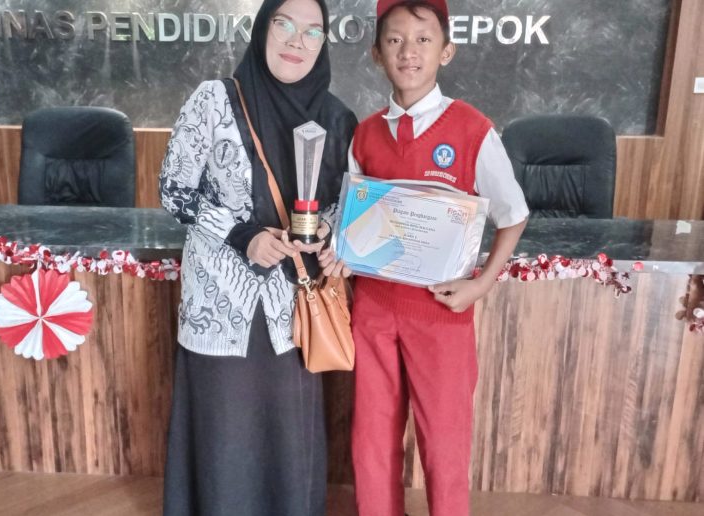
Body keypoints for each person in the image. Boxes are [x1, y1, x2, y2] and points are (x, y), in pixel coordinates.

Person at [319, 1, 529, 514]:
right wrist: (343, 253)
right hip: (373, 309)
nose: (408, 51)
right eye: (394, 40)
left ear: (446, 51)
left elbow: (514, 215)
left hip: (441, 311)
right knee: (371, 439)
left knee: (444, 443)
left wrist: (481, 284)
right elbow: (356, 219)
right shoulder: (365, 134)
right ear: (376, 53)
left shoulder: (472, 130)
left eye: (422, 39)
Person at [158, 0, 357, 514]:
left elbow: (344, 204)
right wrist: (242, 236)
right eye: (284, 25)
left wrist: (327, 233)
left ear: (323, 43)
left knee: (286, 432)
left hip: (293, 307)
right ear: (263, 28)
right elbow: (175, 189)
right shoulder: (215, 100)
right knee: (225, 428)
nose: (296, 41)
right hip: (221, 303)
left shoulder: (337, 118)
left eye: (312, 31)